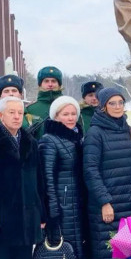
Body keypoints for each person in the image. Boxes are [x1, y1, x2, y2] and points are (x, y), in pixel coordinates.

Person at [83, 88, 131, 259]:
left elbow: (128, 164)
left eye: (121, 102)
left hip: (126, 205)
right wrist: (104, 202)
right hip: (107, 207)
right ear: (103, 106)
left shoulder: (125, 128)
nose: (117, 107)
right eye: (112, 103)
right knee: (108, 253)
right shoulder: (95, 133)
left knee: (126, 253)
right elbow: (90, 170)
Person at [39, 96, 87, 259]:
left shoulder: (77, 139)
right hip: (62, 206)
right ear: (56, 116)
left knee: (77, 249)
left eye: (74, 113)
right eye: (65, 114)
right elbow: (47, 179)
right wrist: (53, 213)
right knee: (64, 250)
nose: (71, 118)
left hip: (77, 204)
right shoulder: (49, 140)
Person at [0, 96, 46, 259]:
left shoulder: (30, 142)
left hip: (27, 218)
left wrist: (41, 213)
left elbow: (38, 180)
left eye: (20, 112)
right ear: (1, 115)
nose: (17, 116)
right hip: (4, 218)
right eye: (11, 112)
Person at [25, 66, 63, 139]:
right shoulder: (31, 109)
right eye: (46, 81)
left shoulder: (69, 106)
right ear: (40, 84)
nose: (50, 84)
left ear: (59, 84)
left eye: (54, 81)